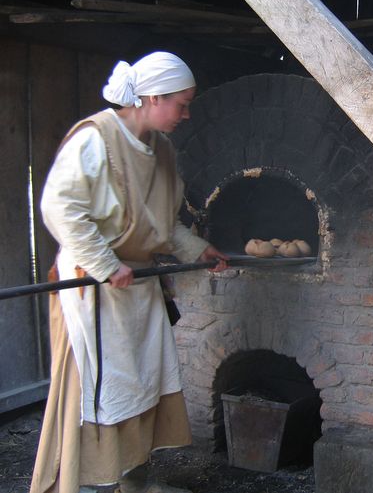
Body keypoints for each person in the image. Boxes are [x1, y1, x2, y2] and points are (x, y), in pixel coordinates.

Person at [30, 51, 228, 493]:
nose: (186, 113)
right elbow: (59, 209)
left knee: (143, 384)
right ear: (152, 97)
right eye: (181, 103)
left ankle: (134, 483)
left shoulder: (162, 150)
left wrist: (200, 249)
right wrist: (104, 263)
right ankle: (79, 483)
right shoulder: (95, 139)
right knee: (97, 391)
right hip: (95, 288)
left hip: (139, 284)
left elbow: (165, 224)